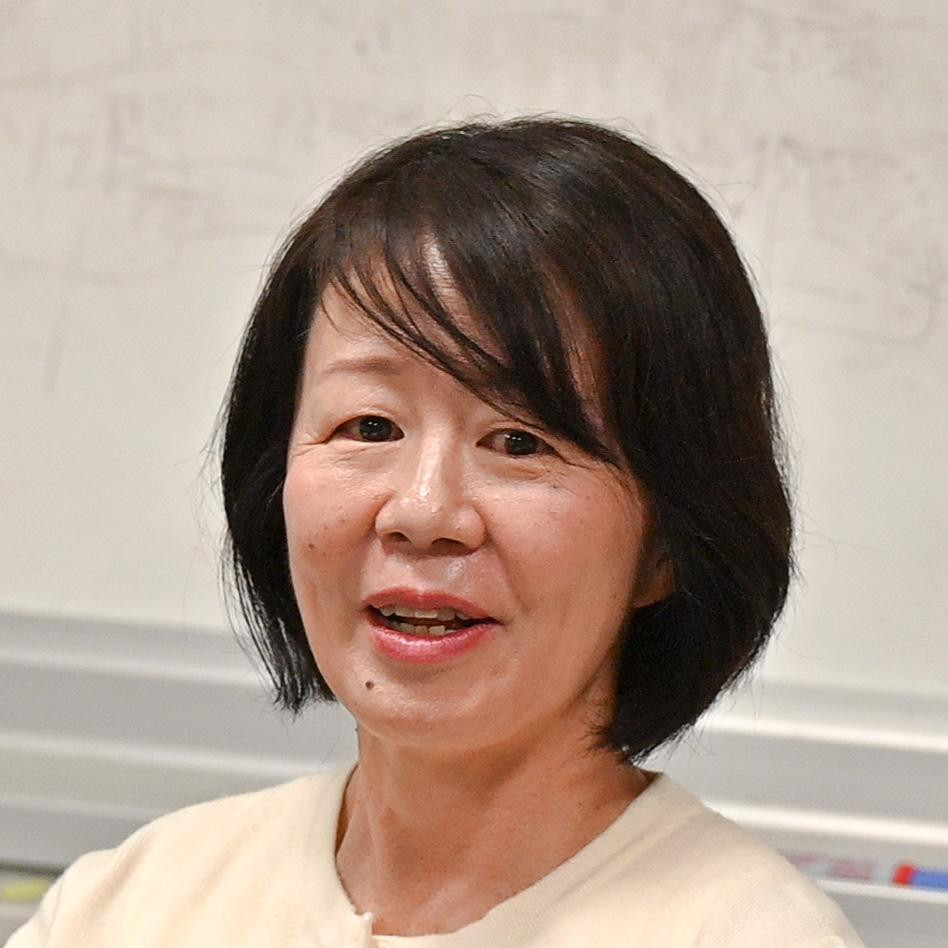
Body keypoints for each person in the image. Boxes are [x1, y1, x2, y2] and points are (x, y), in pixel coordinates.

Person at [10, 118, 865, 946]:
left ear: (668, 541)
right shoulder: (128, 906)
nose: (423, 513)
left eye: (520, 441)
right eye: (370, 426)